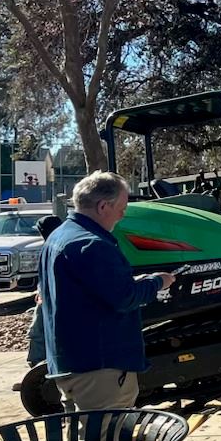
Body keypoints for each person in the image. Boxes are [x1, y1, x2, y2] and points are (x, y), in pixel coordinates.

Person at [40, 172, 174, 411]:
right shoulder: (93, 245)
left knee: (83, 439)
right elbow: (125, 298)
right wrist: (157, 282)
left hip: (69, 361)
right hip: (100, 367)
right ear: (103, 206)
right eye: (122, 207)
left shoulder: (58, 237)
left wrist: (131, 281)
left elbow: (88, 289)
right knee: (103, 440)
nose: (123, 214)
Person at [26, 213, 63, 368]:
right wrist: (40, 290)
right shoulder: (51, 246)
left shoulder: (56, 247)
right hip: (47, 295)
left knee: (38, 333)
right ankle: (37, 368)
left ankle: (37, 369)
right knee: (40, 333)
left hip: (53, 298)